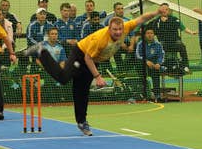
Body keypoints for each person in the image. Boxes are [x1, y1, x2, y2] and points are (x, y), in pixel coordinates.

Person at [22, 8, 159, 136]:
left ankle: (82, 122)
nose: (118, 32)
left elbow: (142, 18)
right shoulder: (100, 39)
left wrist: (157, 11)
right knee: (63, 78)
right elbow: (87, 57)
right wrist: (98, 76)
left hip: (93, 60)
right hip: (80, 54)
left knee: (82, 91)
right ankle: (41, 51)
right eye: (115, 29)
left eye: (120, 29)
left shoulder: (126, 27)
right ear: (109, 28)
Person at [150, 3, 196, 74]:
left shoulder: (174, 19)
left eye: (166, 9)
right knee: (158, 48)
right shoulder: (156, 22)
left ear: (168, 11)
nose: (164, 10)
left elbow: (183, 28)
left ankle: (185, 66)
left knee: (182, 46)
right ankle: (162, 67)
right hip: (163, 43)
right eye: (163, 9)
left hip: (175, 42)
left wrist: (191, 32)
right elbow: (151, 33)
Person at [135, 27, 165, 99]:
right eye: (148, 33)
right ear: (145, 35)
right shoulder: (140, 44)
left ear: (154, 35)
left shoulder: (158, 44)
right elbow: (138, 55)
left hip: (154, 64)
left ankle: (157, 94)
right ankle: (143, 93)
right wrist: (146, 61)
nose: (149, 35)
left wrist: (158, 63)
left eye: (151, 33)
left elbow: (161, 55)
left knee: (156, 73)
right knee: (142, 71)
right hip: (143, 64)